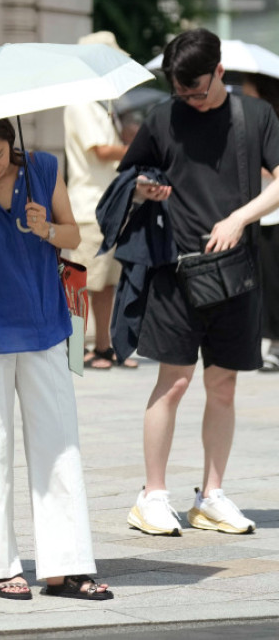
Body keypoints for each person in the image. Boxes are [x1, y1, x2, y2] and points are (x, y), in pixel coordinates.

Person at [0, 118, 111, 601]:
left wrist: (45, 227)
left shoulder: (43, 168)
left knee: (60, 444)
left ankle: (66, 567)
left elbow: (72, 235)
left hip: (43, 321)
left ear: (10, 142)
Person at [121, 29, 279, 537]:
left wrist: (239, 218)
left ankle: (211, 496)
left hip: (235, 270)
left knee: (223, 385)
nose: (189, 99)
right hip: (176, 271)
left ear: (220, 73)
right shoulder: (161, 117)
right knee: (174, 382)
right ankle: (152, 496)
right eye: (180, 91)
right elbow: (128, 179)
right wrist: (143, 188)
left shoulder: (255, 116)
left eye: (197, 90)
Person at [62, 31, 137, 369]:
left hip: (107, 205)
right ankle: (75, 352)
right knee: (81, 283)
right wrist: (137, 147)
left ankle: (103, 348)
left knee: (105, 284)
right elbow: (101, 151)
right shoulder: (80, 102)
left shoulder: (100, 104)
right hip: (89, 207)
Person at [241, 73, 279, 373]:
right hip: (254, 214)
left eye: (248, 91)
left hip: (274, 214)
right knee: (260, 283)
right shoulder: (247, 124)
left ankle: (275, 345)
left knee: (274, 283)